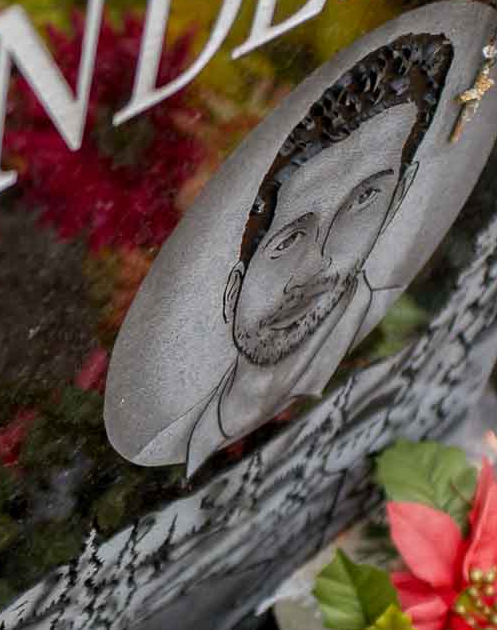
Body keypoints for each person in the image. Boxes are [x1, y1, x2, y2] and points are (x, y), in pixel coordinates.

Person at [179, 33, 455, 475]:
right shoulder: (188, 425)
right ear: (230, 285)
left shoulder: (383, 354)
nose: (319, 264)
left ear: (400, 196)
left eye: (364, 200)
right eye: (287, 240)